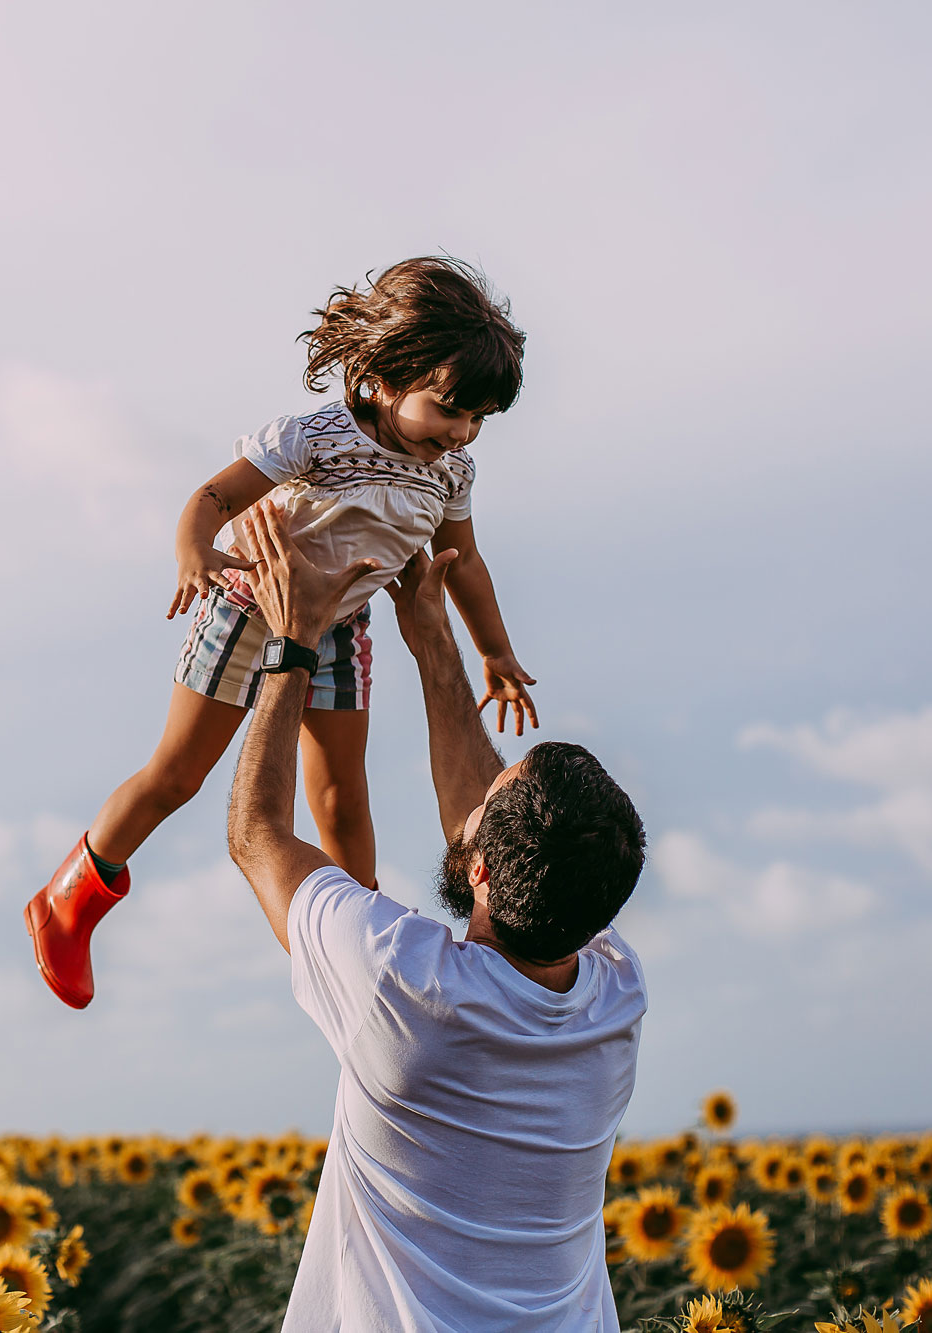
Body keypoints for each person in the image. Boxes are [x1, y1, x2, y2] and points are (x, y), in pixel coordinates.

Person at [27, 256, 541, 1009]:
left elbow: (462, 564)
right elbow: (212, 494)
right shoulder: (315, 438)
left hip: (341, 626)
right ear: (386, 376)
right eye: (448, 408)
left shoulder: (449, 475)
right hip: (247, 605)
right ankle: (70, 898)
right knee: (177, 774)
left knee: (341, 797)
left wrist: (494, 650)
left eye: (479, 420)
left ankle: (365, 949)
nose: (461, 433)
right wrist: (193, 550)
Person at [226, 499, 649, 1332]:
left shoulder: (401, 983)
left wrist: (293, 642)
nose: (475, 794)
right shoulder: (614, 993)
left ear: (483, 868)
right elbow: (489, 830)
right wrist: (431, 638)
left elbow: (258, 833)